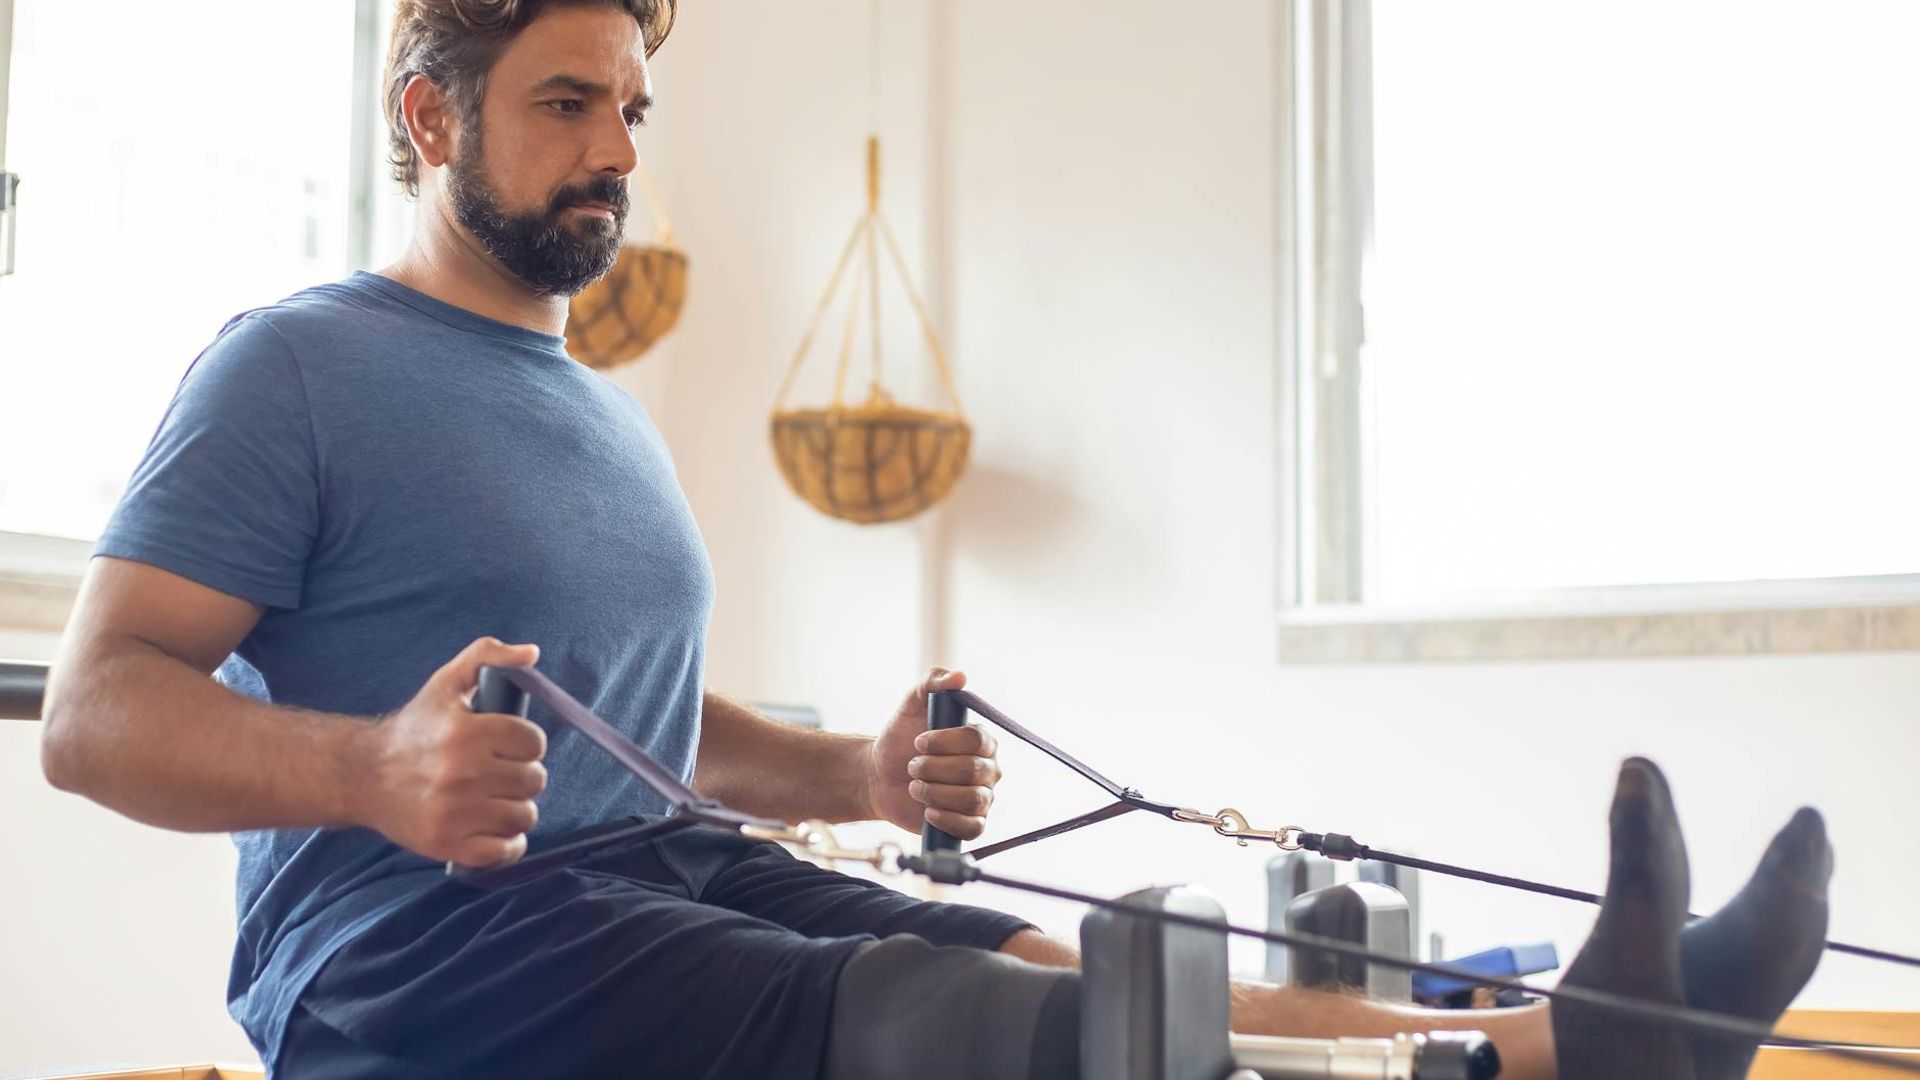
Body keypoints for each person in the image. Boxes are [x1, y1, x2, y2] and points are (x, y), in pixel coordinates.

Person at [38, 2, 1831, 1078]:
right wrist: (366, 766)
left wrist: (860, 773)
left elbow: (633, 725)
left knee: (1065, 962)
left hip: (653, 880)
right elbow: (94, 709)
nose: (614, 153)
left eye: (632, 112)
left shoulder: (595, 412)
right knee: (914, 1009)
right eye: (565, 106)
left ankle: (1593, 1039)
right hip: (406, 952)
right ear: (431, 116)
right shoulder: (299, 365)